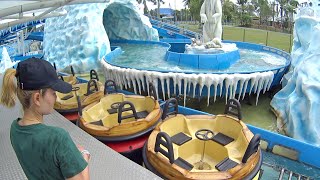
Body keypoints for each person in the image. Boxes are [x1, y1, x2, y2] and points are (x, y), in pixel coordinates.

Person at [0, 57, 90, 180]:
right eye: (53, 93)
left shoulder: (14, 130)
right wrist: (83, 156)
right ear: (37, 98)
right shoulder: (58, 138)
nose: (56, 98)